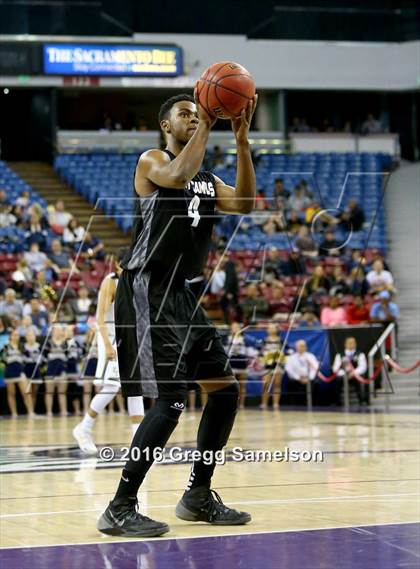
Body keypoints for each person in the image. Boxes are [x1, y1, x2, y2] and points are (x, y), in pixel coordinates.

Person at [97, 91, 258, 537]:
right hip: (147, 288)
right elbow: (176, 173)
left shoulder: (206, 179)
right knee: (169, 401)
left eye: (197, 113)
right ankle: (120, 506)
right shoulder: (152, 161)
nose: (193, 118)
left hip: (184, 296)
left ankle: (198, 495)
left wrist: (242, 141)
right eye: (184, 115)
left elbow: (243, 204)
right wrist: (208, 121)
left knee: (225, 391)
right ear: (165, 126)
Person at [73, 250, 145, 455]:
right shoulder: (110, 282)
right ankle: (83, 428)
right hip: (110, 338)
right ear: (118, 265)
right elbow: (100, 318)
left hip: (130, 338)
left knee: (135, 389)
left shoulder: (136, 282)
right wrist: (107, 344)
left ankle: (138, 442)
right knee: (112, 387)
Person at [0, 329, 34, 417]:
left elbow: (27, 358)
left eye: (17, 335)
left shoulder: (22, 346)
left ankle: (31, 412)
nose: (16, 337)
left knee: (26, 392)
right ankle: (14, 413)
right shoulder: (6, 347)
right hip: (10, 372)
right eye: (14, 335)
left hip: (20, 372)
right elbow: (3, 360)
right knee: (11, 394)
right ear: (10, 336)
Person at [332, 336, 369, 405]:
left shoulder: (360, 354)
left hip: (355, 375)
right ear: (345, 344)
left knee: (361, 380)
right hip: (343, 375)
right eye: (349, 343)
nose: (351, 344)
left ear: (355, 344)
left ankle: (363, 400)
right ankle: (337, 402)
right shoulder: (339, 355)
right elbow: (335, 368)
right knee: (336, 381)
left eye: (353, 343)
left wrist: (353, 373)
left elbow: (363, 367)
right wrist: (344, 374)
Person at [259, 323, 284, 410]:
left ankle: (276, 404)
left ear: (277, 330)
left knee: (277, 385)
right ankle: (264, 403)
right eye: (269, 328)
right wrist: (263, 360)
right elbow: (260, 353)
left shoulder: (281, 340)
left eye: (273, 328)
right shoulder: (264, 341)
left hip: (277, 365)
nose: (271, 329)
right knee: (265, 385)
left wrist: (280, 359)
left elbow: (286, 352)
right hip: (267, 366)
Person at [225, 322, 249, 410]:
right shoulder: (227, 339)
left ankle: (242, 404)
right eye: (233, 327)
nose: (235, 329)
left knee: (242, 385)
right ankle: (231, 403)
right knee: (232, 386)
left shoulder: (245, 339)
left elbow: (248, 351)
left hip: (242, 363)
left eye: (236, 327)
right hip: (232, 363)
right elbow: (225, 351)